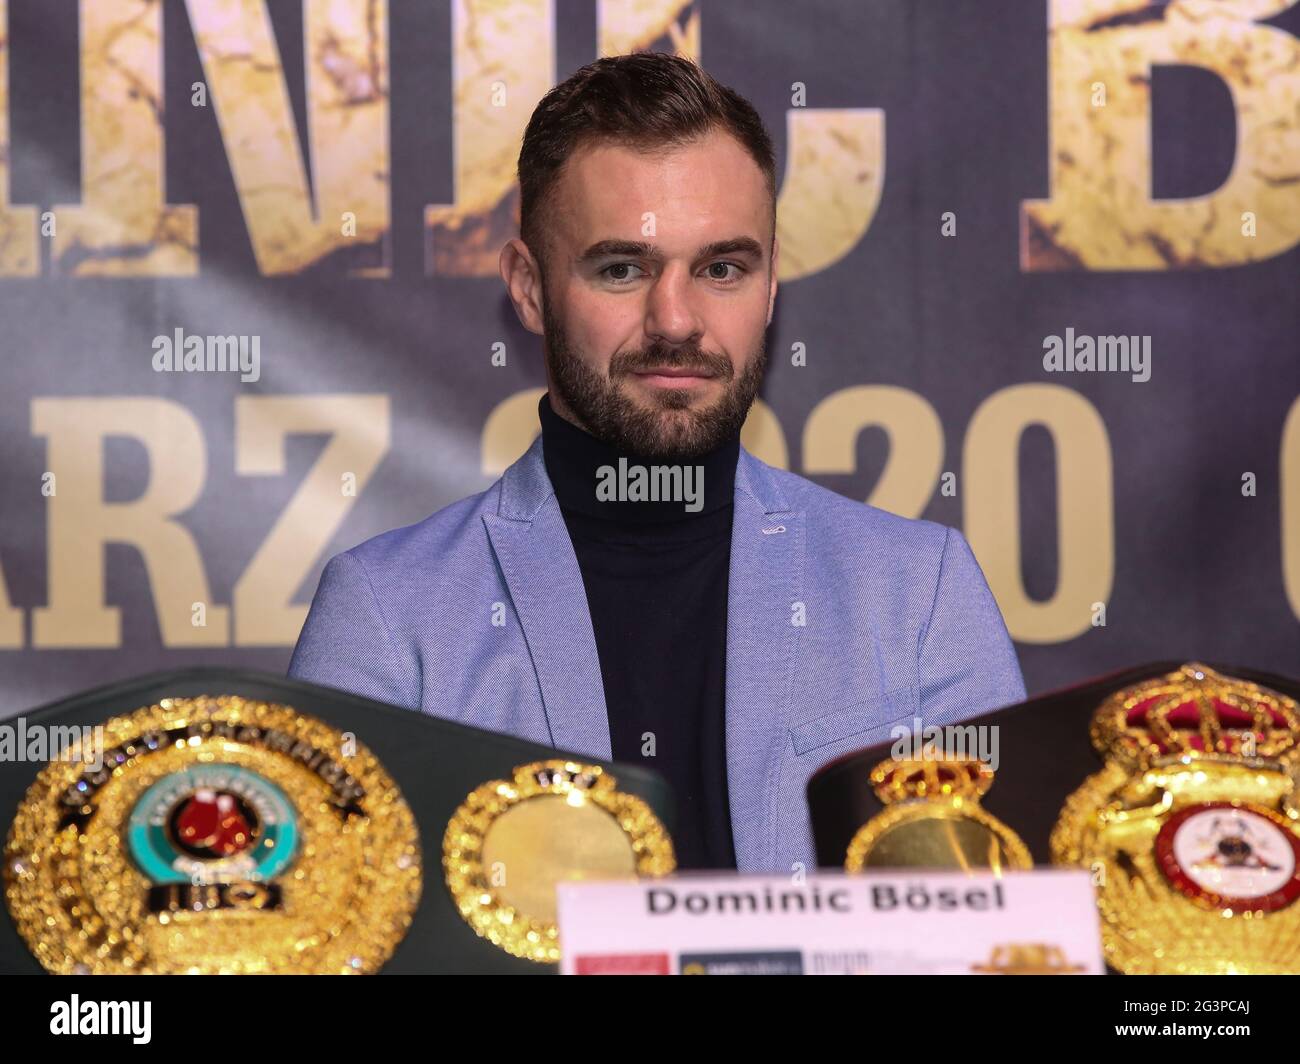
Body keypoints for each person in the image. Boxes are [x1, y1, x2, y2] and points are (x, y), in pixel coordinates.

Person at [289, 52, 1024, 873]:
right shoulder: (392, 618)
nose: (675, 320)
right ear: (528, 287)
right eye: (621, 268)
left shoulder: (919, 593)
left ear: (771, 283)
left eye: (721, 268)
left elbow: (1001, 941)